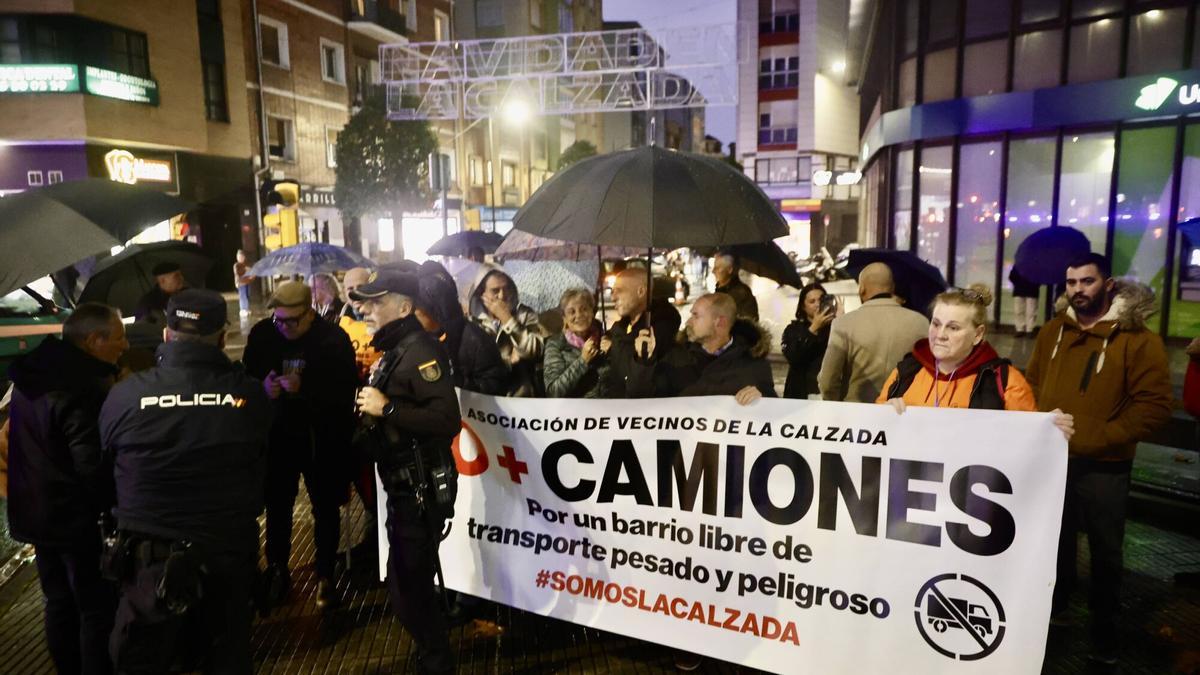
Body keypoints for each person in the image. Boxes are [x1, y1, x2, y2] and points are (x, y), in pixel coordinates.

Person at [100, 290, 270, 673]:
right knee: (227, 659)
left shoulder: (124, 396)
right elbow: (264, 461)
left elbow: (104, 465)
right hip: (227, 556)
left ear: (166, 334)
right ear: (222, 338)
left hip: (147, 562)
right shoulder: (249, 395)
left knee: (142, 660)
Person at [1025, 253, 1172, 665]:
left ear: (1107, 285)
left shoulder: (1138, 339)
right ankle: (1057, 609)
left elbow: (1154, 406)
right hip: (1054, 460)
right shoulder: (1053, 331)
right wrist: (1034, 426)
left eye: (1086, 281)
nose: (1077, 290)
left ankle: (1104, 627)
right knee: (1054, 541)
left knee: (1105, 550)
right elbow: (1032, 383)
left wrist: (1101, 437)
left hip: (1106, 464)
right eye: (1071, 282)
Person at [6, 303, 127, 675]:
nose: (125, 345)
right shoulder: (82, 386)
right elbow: (91, 465)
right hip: (76, 519)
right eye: (119, 338)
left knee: (58, 602)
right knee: (95, 608)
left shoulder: (32, 375)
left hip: (35, 512)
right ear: (93, 340)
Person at [350, 270, 461, 674]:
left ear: (404, 307)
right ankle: (432, 656)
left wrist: (388, 408)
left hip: (420, 490)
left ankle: (437, 661)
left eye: (376, 302)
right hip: (403, 489)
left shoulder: (420, 350)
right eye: (365, 302)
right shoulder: (398, 348)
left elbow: (447, 418)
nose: (366, 309)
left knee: (408, 590)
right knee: (406, 586)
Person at [242, 281, 358, 610]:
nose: (284, 327)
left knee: (325, 506)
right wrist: (262, 387)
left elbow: (346, 389)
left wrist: (306, 387)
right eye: (278, 320)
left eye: (292, 321)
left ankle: (325, 573)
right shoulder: (263, 335)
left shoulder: (332, 339)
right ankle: (278, 568)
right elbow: (246, 378)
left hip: (321, 438)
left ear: (309, 313)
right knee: (278, 505)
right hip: (278, 436)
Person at [627, 292, 775, 402]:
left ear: (720, 322)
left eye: (696, 316)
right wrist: (643, 362)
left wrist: (761, 398)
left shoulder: (754, 365)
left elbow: (773, 416)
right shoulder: (676, 357)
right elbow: (642, 399)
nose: (688, 322)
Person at [818, 262, 929, 403]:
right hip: (903, 410)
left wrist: (837, 406)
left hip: (855, 410)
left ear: (862, 289)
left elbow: (827, 382)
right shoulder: (921, 323)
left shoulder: (843, 324)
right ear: (892, 288)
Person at [414, 262, 507, 395]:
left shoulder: (476, 340)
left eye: (417, 311)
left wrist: (457, 382)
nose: (413, 317)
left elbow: (496, 386)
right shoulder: (421, 340)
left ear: (433, 311)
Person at [600, 268, 682, 399]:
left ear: (641, 292)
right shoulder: (622, 325)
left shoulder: (661, 324)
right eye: (612, 291)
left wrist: (613, 348)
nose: (613, 297)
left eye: (619, 291)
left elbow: (633, 369)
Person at [467, 269, 545, 397]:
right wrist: (508, 362)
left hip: (521, 395)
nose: (502, 296)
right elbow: (473, 365)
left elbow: (536, 351)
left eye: (506, 288)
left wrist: (508, 320)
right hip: (486, 397)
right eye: (495, 291)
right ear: (482, 293)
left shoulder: (525, 314)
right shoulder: (473, 323)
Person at [544, 288, 609, 398]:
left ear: (592, 312)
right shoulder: (555, 344)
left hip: (609, 407)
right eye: (572, 312)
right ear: (564, 318)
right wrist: (583, 361)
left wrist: (612, 353)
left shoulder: (606, 338)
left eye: (584, 309)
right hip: (575, 408)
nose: (579, 315)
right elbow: (553, 392)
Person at [782, 283, 834, 399]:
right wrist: (813, 328)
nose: (817, 304)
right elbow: (793, 357)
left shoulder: (835, 328)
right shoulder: (793, 329)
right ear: (803, 306)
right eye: (812, 301)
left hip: (828, 392)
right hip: (802, 392)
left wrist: (841, 322)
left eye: (821, 300)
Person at [712, 252, 758, 320]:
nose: (713, 271)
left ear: (730, 269)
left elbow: (748, 322)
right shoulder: (720, 289)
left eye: (717, 268)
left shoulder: (742, 294)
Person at [1009, 266, 1040, 337]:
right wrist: (1035, 285)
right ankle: (1029, 330)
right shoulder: (1036, 265)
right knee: (1031, 311)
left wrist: (1017, 283)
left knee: (1019, 311)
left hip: (1019, 289)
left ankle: (1020, 329)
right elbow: (1040, 278)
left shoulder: (1019, 264)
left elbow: (1012, 276)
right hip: (1032, 290)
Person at [233, 250, 253, 317]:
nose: (240, 258)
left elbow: (250, 273)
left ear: (244, 257)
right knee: (243, 296)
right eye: (239, 257)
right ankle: (242, 309)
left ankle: (246, 308)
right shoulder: (236, 265)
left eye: (242, 257)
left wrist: (251, 276)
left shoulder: (246, 265)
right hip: (240, 283)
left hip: (247, 282)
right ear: (237, 258)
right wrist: (245, 269)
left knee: (247, 295)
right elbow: (238, 272)